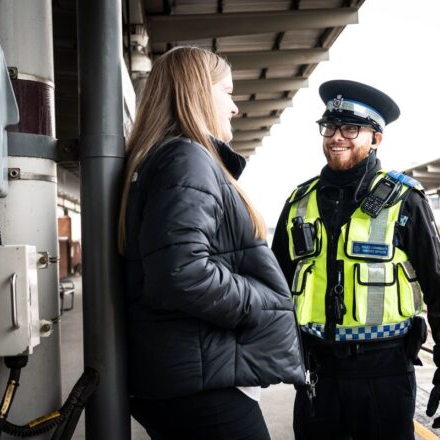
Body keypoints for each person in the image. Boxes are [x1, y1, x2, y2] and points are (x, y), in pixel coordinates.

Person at [117, 47, 305, 440]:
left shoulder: (159, 159)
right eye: (228, 91)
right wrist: (266, 302)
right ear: (199, 94)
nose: (235, 107)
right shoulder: (187, 158)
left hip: (182, 375)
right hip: (201, 388)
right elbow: (182, 272)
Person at [271, 79, 440, 440]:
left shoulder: (405, 201)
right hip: (317, 377)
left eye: (350, 128)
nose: (336, 137)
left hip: (385, 378)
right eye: (329, 127)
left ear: (376, 138)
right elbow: (273, 290)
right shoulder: (299, 203)